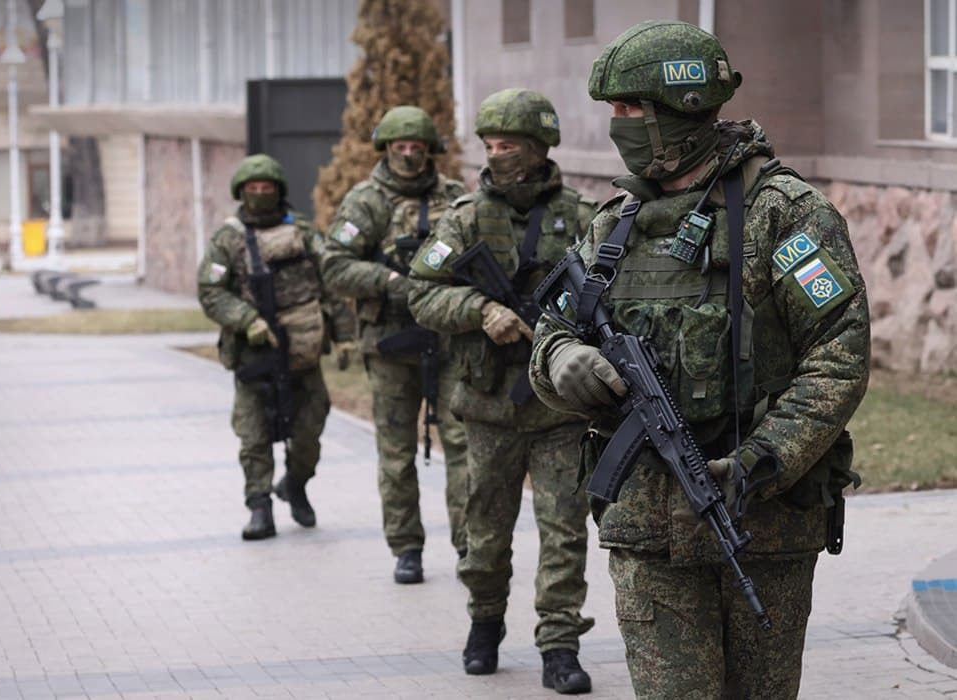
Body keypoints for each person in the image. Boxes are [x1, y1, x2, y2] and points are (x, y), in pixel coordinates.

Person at [528, 20, 870, 698]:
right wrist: (560, 358)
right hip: (647, 530)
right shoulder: (612, 224)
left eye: (630, 111)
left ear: (678, 114)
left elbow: (839, 356)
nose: (618, 126)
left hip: (761, 524)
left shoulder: (784, 213)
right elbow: (552, 328)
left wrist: (759, 461)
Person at [407, 89, 597, 694]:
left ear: (540, 148)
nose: (497, 155)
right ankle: (484, 623)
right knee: (484, 535)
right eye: (489, 146)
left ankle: (559, 644)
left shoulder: (583, 215)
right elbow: (421, 292)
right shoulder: (463, 217)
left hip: (560, 407)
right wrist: (480, 308)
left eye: (508, 145)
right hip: (488, 408)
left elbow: (612, 294)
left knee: (564, 530)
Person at [321, 106, 469, 585]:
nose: (408, 155)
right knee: (396, 451)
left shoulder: (454, 197)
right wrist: (389, 280)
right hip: (389, 342)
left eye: (417, 147)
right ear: (386, 149)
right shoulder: (366, 201)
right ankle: (406, 546)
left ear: (430, 151)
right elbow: (334, 264)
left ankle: (472, 544)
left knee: (466, 446)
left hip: (449, 341)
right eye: (400, 147)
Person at [197, 154, 355, 541]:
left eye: (267, 189)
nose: (260, 195)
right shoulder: (228, 239)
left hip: (302, 351)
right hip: (254, 356)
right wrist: (247, 320)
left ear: (279, 190)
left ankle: (296, 484)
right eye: (253, 189)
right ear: (241, 192)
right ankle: (259, 507)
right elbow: (210, 290)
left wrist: (345, 335)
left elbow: (329, 281)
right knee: (253, 436)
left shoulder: (301, 231)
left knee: (309, 432)